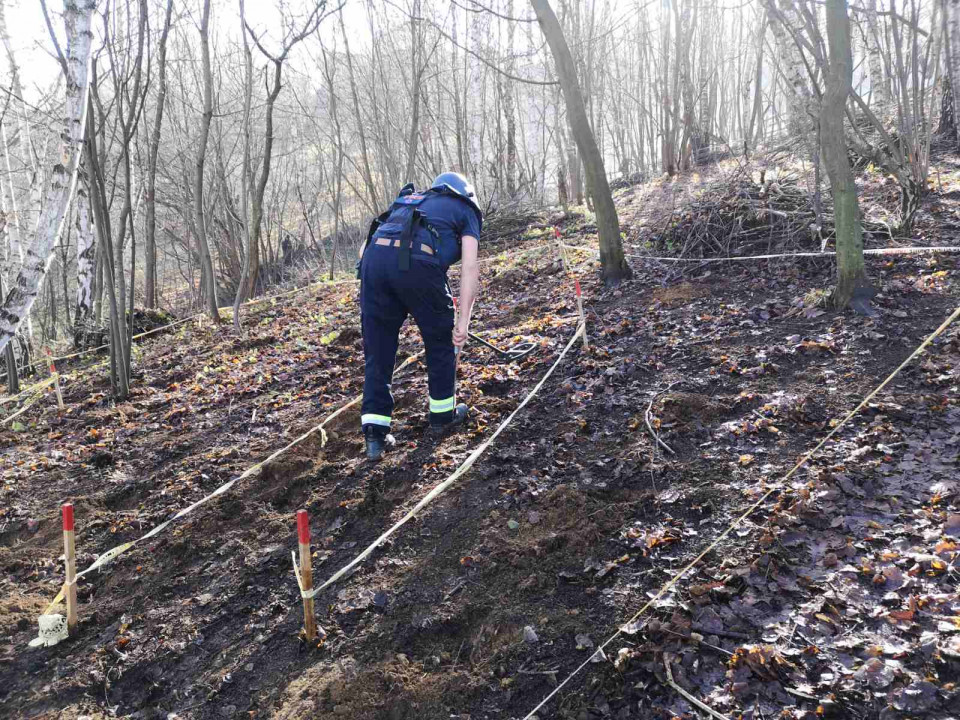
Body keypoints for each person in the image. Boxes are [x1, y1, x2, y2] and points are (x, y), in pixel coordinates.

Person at [357, 172, 482, 461]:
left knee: (378, 350)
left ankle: (374, 435)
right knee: (440, 342)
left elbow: (366, 248)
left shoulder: (411, 201)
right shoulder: (466, 210)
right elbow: (470, 270)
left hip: (373, 266)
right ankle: (442, 417)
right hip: (418, 263)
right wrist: (462, 323)